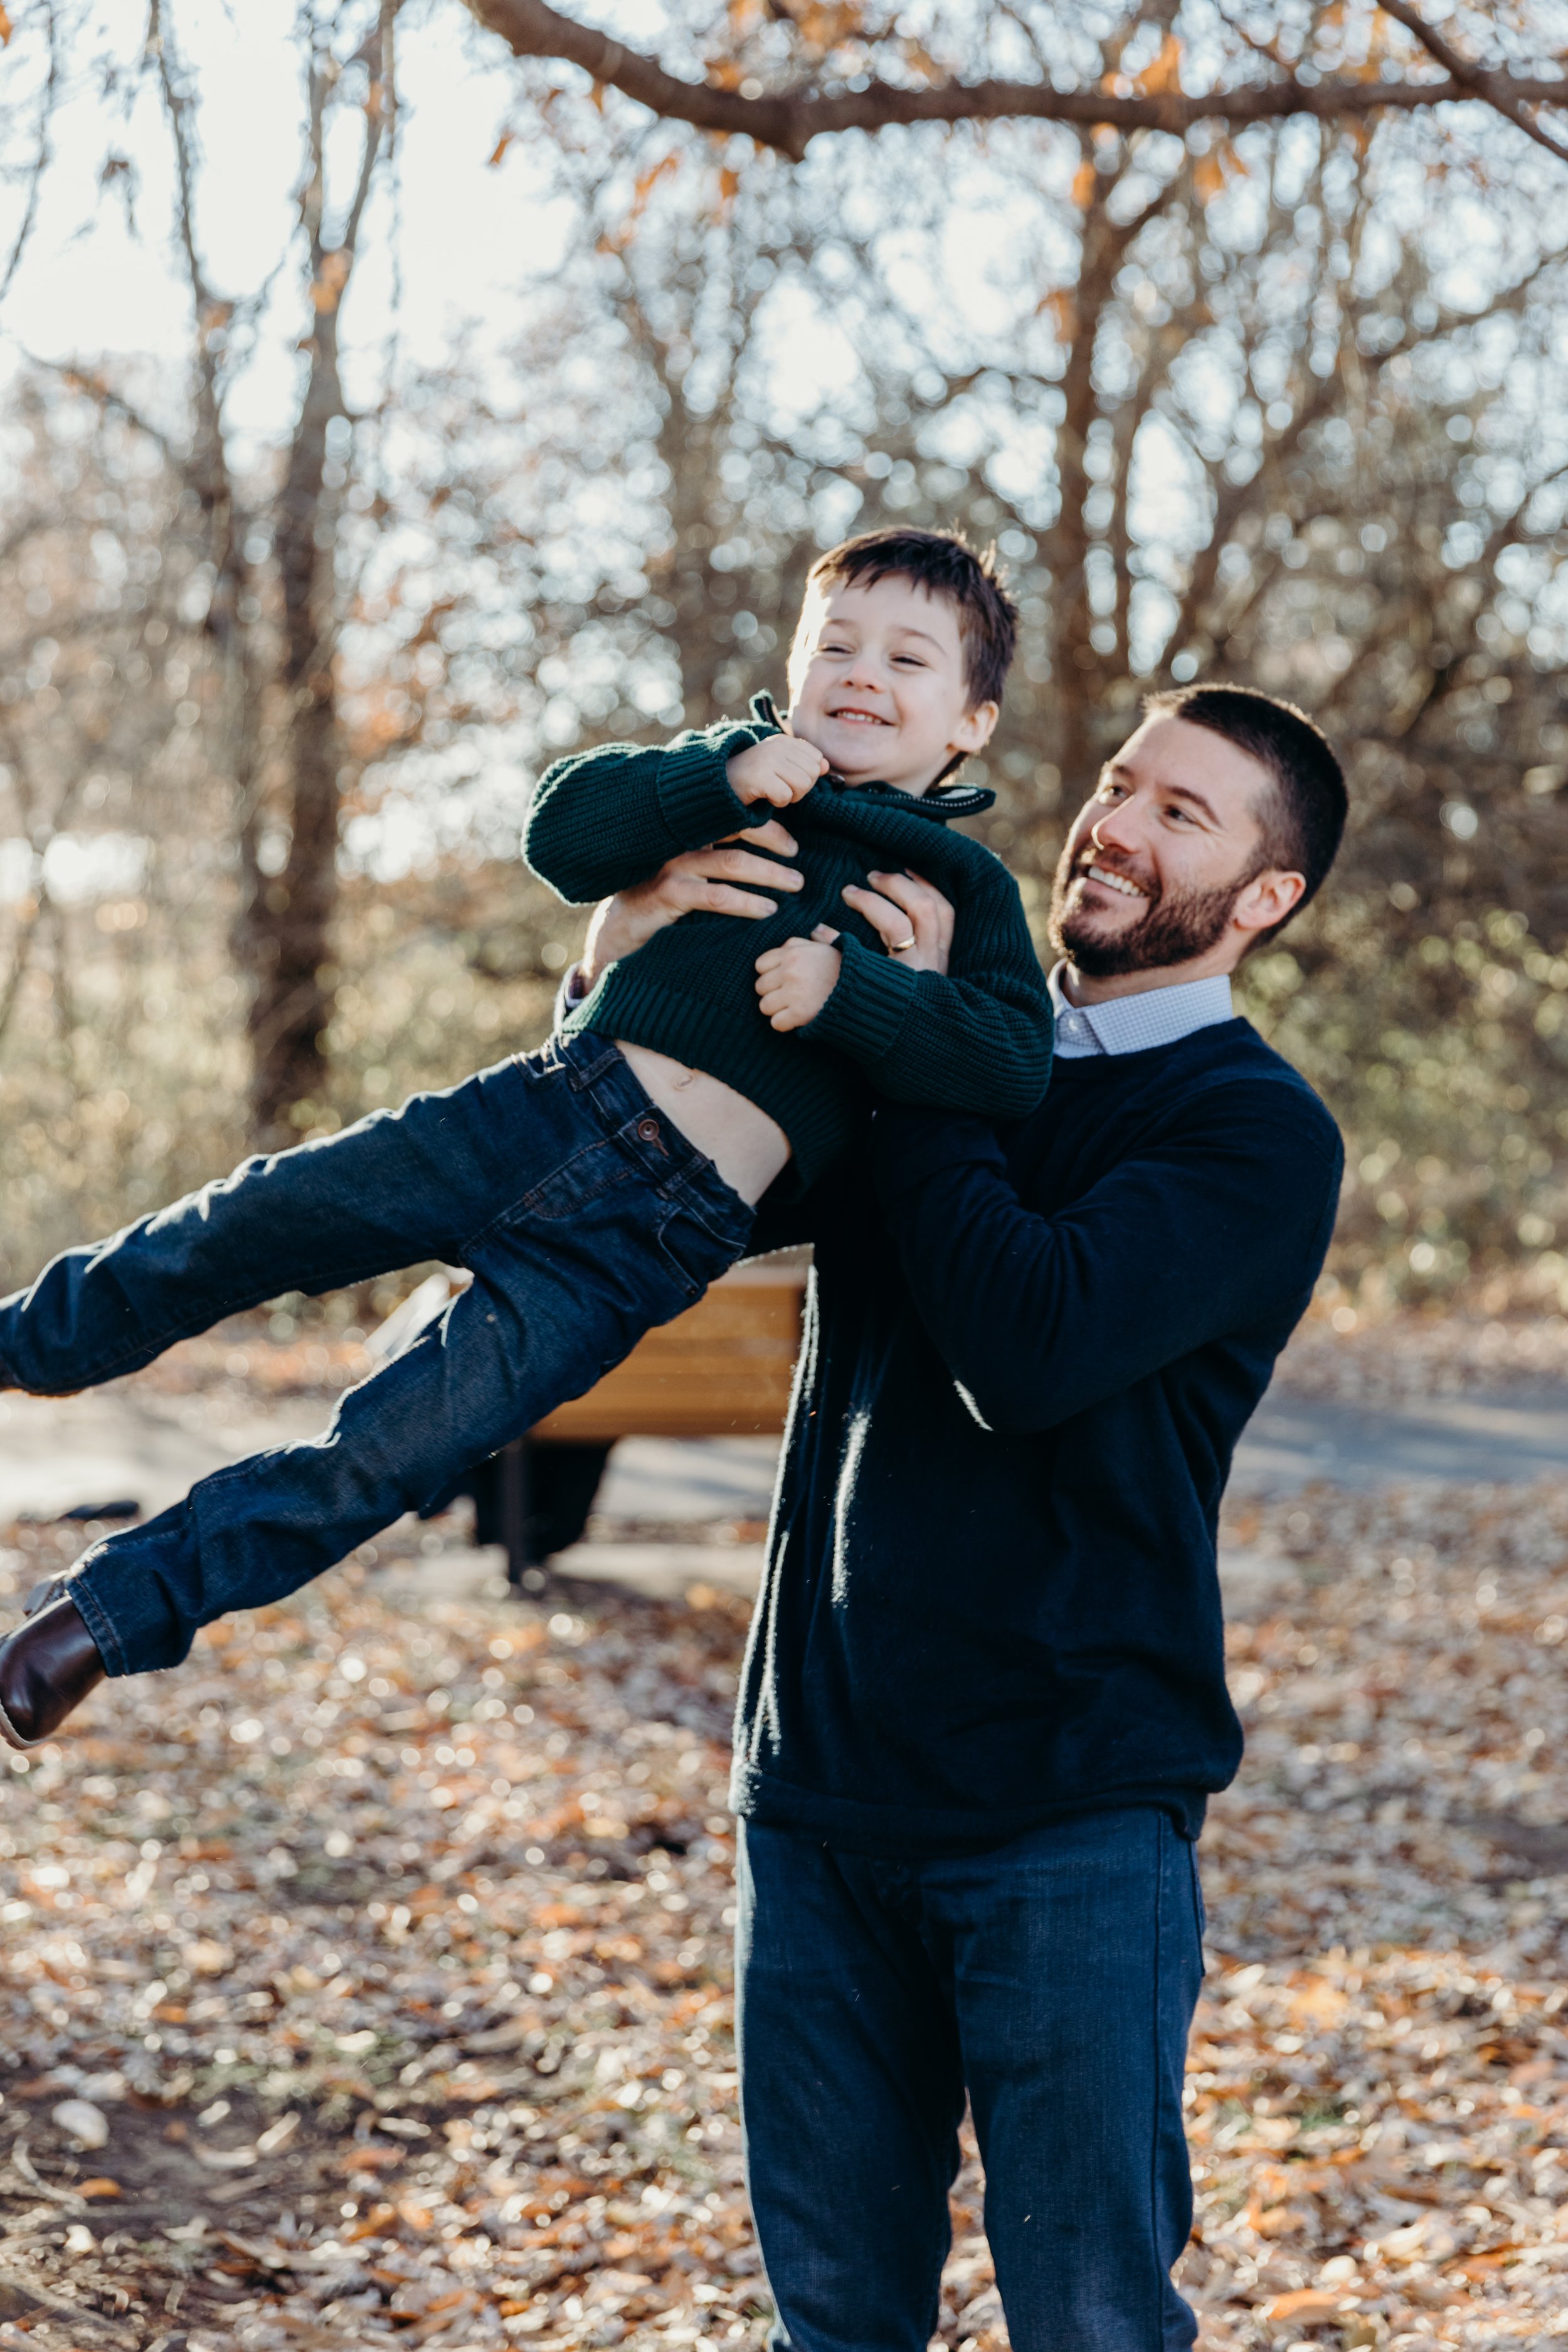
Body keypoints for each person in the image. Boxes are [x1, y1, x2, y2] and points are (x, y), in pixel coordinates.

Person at [575, 681, 1348, 2350]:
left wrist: (912, 1032)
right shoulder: (918, 1016)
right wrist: (616, 949)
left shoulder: (1253, 1130)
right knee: (834, 2320)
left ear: (1266, 898)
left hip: (1064, 1809)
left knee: (1084, 2318)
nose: (1117, 825)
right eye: (1123, 783)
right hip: (822, 1785)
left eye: (1183, 815)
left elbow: (1028, 1342)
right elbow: (653, 1183)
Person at [0, 529, 1052, 1749]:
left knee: (386, 1453)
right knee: (250, 1221)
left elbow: (1010, 1067)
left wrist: (861, 997)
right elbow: (560, 831)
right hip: (545, 1106)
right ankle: (27, 1342)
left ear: (970, 720)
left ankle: (96, 1624)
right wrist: (708, 785)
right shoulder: (734, 775)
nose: (861, 672)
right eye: (836, 645)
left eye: (907, 658)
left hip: (645, 1244)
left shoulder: (964, 897)